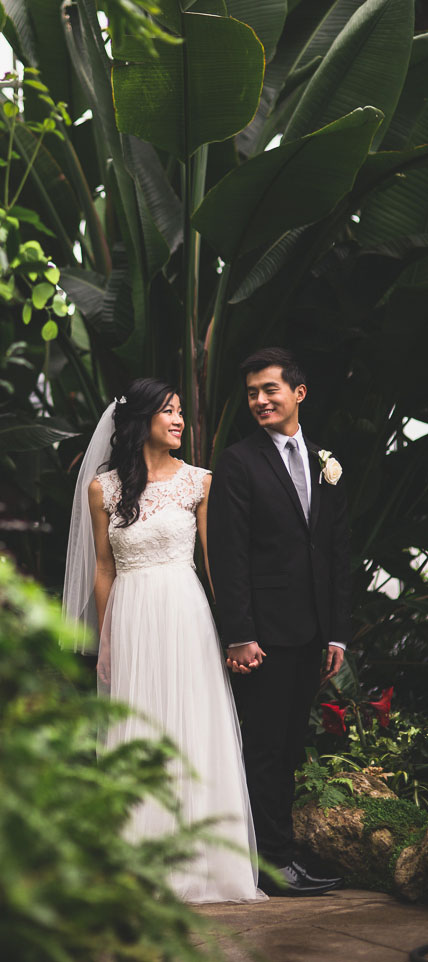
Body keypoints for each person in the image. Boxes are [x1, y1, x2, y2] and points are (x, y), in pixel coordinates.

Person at [63, 378, 262, 904]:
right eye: (169, 412)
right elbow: (103, 570)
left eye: (180, 411)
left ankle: (206, 864)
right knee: (139, 727)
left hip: (185, 610)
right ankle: (142, 861)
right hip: (130, 613)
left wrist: (237, 631)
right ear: (141, 420)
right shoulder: (103, 489)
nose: (178, 420)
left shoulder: (200, 481)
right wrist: (106, 638)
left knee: (193, 722)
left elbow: (215, 564)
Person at [207, 347, 352, 896]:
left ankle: (284, 854)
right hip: (262, 637)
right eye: (252, 393)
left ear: (299, 393)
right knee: (266, 748)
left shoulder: (324, 460)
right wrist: (239, 634)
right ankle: (274, 865)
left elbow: (337, 549)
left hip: (312, 632)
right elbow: (229, 554)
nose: (260, 400)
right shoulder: (240, 461)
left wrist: (337, 630)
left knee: (290, 747)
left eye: (270, 389)